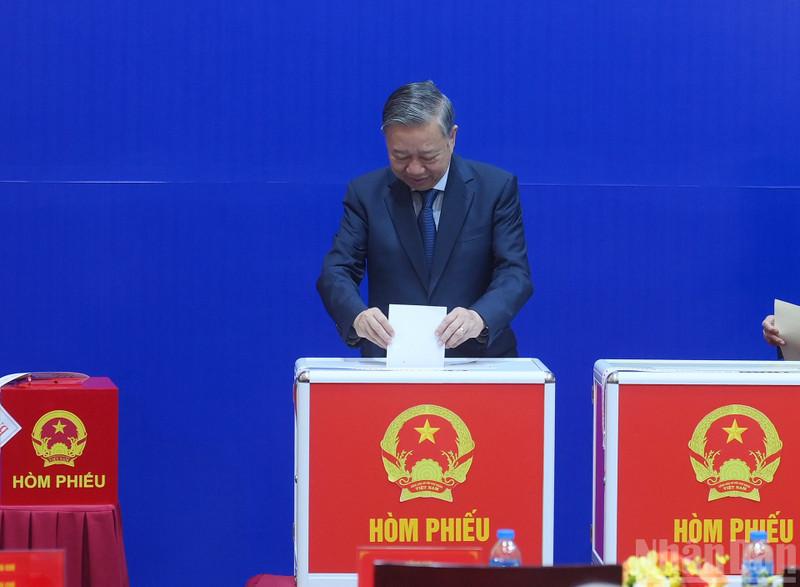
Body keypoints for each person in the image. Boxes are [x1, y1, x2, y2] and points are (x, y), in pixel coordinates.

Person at [317, 81, 532, 358]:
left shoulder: (495, 189)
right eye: (400, 156)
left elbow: (515, 273)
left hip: (478, 359)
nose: (415, 169)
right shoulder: (365, 194)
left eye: (428, 156)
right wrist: (357, 316)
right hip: (391, 362)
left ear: (452, 138)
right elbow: (337, 271)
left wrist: (480, 317)